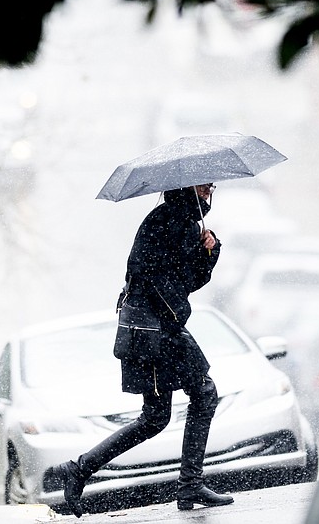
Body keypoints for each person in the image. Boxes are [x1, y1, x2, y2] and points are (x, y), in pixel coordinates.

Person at [51, 183, 233, 517]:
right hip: (150, 331)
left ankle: (185, 484)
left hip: (162, 327)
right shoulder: (167, 220)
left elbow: (188, 280)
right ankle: (80, 469)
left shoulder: (184, 221)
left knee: (178, 406)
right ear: (185, 186)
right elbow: (145, 274)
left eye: (211, 184)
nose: (209, 189)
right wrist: (175, 309)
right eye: (203, 184)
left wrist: (209, 252)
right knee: (174, 408)